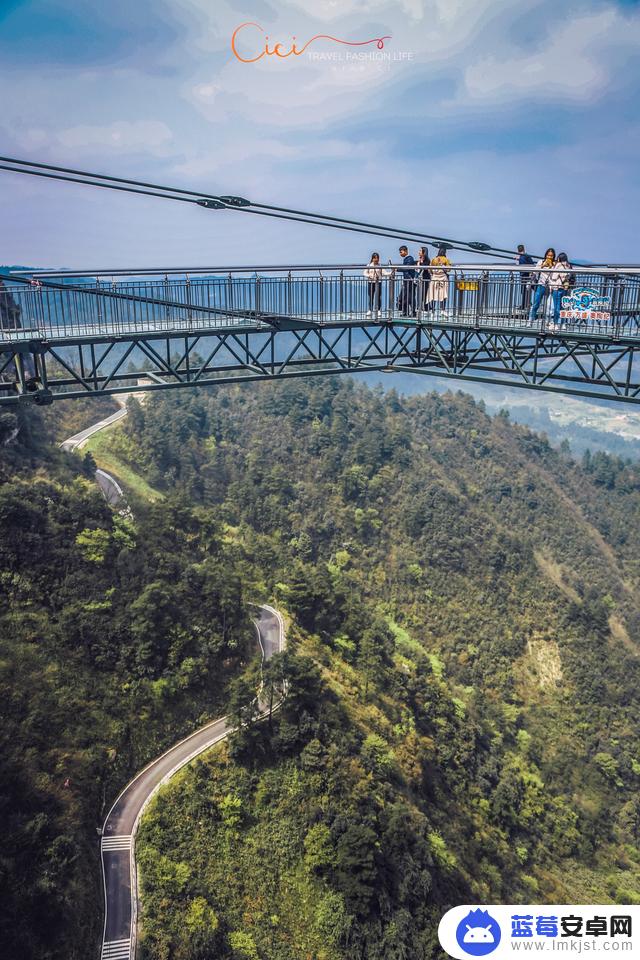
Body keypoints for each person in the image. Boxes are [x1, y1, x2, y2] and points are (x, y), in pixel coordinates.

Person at [529, 247, 556, 323]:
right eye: (548, 255)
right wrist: (542, 266)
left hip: (551, 286)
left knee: (549, 306)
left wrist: (552, 266)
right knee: (536, 303)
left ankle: (548, 321)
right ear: (546, 255)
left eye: (551, 256)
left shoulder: (555, 264)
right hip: (541, 285)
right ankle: (531, 320)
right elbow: (535, 272)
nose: (549, 257)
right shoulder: (541, 262)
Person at [548, 252, 572, 329]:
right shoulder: (569, 266)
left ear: (559, 258)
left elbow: (554, 277)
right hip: (565, 288)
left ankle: (556, 324)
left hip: (557, 288)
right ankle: (563, 324)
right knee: (563, 307)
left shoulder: (558, 266)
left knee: (556, 307)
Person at [363, 252, 390, 317]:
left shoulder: (380, 266)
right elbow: (364, 273)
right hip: (371, 282)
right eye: (375, 258)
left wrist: (390, 273)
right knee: (371, 297)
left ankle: (378, 310)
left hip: (378, 283)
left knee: (378, 297)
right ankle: (370, 310)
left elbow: (384, 273)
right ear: (372, 258)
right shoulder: (369, 265)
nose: (376, 259)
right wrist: (369, 275)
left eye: (377, 258)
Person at [427, 245, 452, 314]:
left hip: (434, 278)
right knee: (443, 294)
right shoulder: (446, 260)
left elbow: (429, 269)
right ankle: (442, 309)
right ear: (445, 252)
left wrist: (433, 274)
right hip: (443, 279)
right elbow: (449, 269)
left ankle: (432, 310)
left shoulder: (434, 259)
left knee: (433, 294)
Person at [397, 245, 417, 316]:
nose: (400, 254)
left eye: (401, 252)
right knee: (405, 296)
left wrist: (397, 269)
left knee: (410, 297)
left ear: (405, 251)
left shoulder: (409, 259)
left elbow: (406, 268)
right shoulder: (407, 259)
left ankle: (413, 312)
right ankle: (406, 312)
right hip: (406, 280)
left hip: (410, 281)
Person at [516, 244, 535, 311]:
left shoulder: (523, 257)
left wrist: (519, 258)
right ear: (524, 249)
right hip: (526, 275)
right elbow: (532, 264)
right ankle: (527, 304)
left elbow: (528, 265)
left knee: (524, 290)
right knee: (525, 290)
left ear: (518, 250)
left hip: (525, 276)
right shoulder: (525, 256)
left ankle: (526, 305)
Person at [416, 245, 431, 311]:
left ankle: (426, 307)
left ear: (424, 252)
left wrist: (420, 263)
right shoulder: (420, 259)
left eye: (420, 251)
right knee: (419, 293)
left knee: (425, 293)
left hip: (425, 278)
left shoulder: (427, 260)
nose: (419, 252)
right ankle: (420, 306)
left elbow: (425, 267)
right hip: (421, 279)